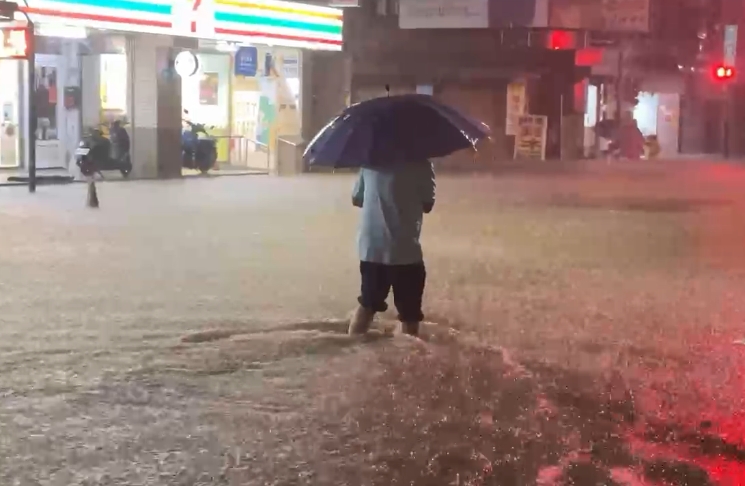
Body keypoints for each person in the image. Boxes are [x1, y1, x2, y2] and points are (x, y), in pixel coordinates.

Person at [348, 159, 436, 337]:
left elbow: (357, 199)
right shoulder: (421, 163)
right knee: (410, 315)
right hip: (405, 251)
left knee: (367, 305)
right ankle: (407, 361)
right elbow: (428, 204)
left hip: (372, 249)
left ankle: (351, 344)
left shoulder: (370, 161)